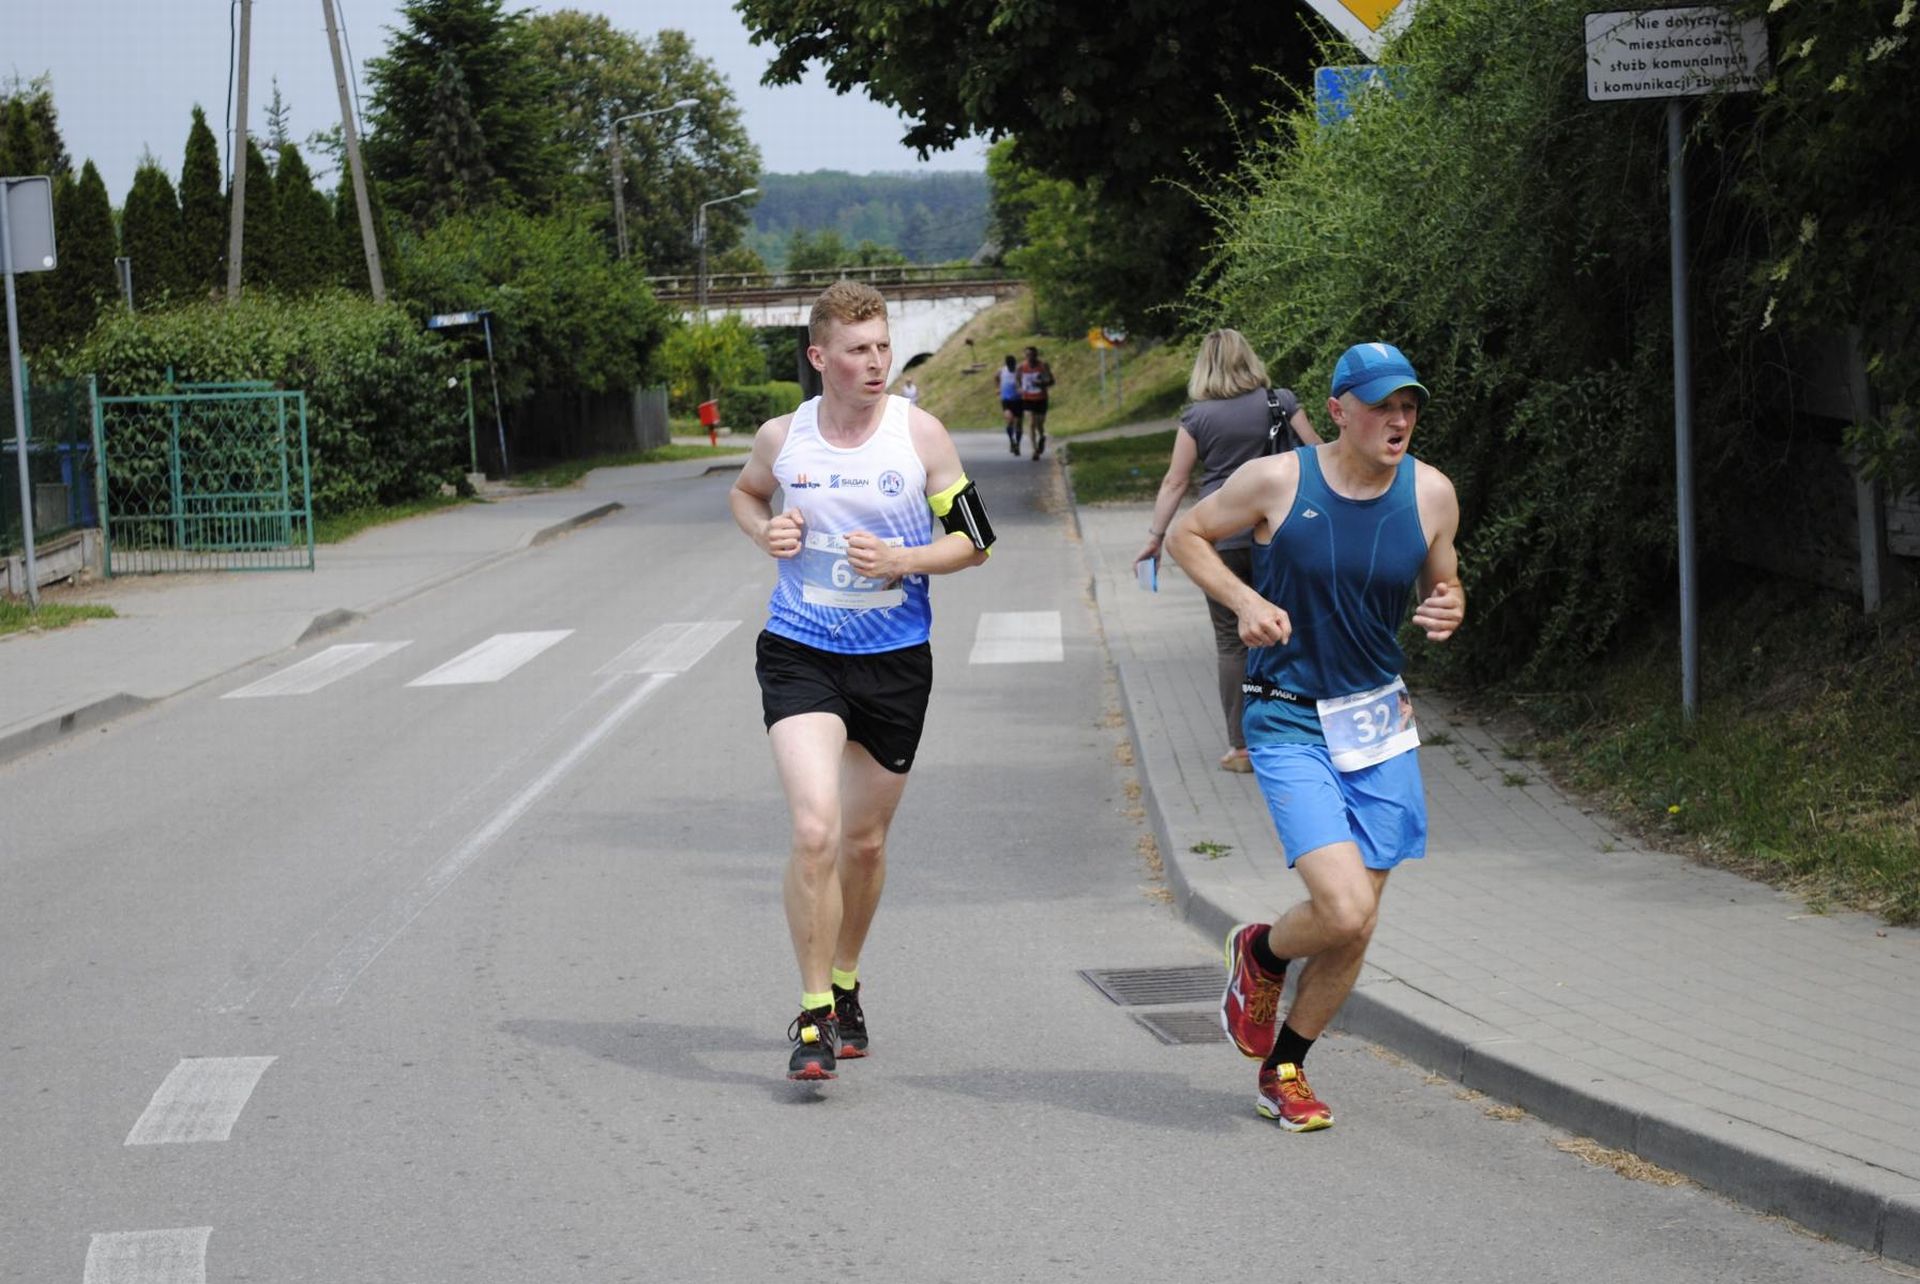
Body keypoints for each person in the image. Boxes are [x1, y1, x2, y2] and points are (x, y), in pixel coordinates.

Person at [1165, 341, 1464, 1131]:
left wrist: (1450, 602)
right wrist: (1242, 600)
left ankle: (1287, 1067)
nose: (1398, 420)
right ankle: (1261, 953)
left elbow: (1444, 577)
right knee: (1340, 906)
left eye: (1408, 406)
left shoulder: (1431, 493)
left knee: (1360, 919)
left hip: (1379, 722)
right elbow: (1188, 535)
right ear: (1338, 411)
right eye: (1381, 406)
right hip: (1288, 712)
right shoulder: (1278, 480)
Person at [729, 280, 996, 1081]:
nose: (876, 362)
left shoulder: (921, 436)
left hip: (894, 660)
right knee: (815, 829)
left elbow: (977, 541)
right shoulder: (785, 438)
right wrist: (765, 531)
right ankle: (814, 1014)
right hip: (801, 651)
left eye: (883, 346)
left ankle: (845, 980)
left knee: (865, 843)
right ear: (820, 358)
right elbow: (745, 494)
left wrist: (905, 559)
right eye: (857, 350)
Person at [1135, 330, 1321, 774]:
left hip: (1220, 540)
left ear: (1205, 367)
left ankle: (1242, 748)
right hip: (1281, 535)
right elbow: (1318, 455)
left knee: (1232, 641)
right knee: (1290, 630)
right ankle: (1300, 734)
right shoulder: (1281, 401)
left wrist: (1156, 537)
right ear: (1249, 359)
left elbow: (1175, 481)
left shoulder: (1196, 417)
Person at [1016, 346, 1054, 459]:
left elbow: (1051, 381)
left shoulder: (1043, 366)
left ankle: (1042, 436)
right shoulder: (1021, 367)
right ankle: (1034, 450)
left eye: (1032, 355)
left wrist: (1042, 383)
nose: (1030, 357)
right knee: (1031, 423)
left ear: (1036, 355)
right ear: (1025, 356)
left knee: (1039, 424)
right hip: (1027, 398)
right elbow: (1017, 381)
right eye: (1027, 355)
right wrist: (1019, 388)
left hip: (1041, 398)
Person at [999, 355, 1024, 455]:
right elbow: (996, 377)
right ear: (1006, 364)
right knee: (1009, 421)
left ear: (1014, 363)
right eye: (1009, 365)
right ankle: (1011, 441)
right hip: (1006, 400)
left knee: (1019, 424)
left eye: (1012, 364)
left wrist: (1022, 389)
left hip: (1018, 400)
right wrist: (997, 388)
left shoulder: (1019, 371)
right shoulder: (1002, 370)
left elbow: (1024, 382)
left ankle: (1017, 444)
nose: (1010, 366)